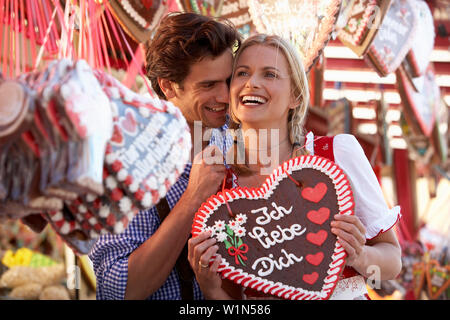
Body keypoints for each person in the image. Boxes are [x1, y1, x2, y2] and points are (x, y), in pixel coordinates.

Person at [188, 34, 402, 300]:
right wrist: (210, 288)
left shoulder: (336, 154)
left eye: (270, 75)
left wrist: (360, 255)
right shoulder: (220, 182)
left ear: (296, 97)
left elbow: (392, 265)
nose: (251, 83)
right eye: (242, 73)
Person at [88, 12, 241, 300]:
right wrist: (192, 198)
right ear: (169, 86)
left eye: (228, 80)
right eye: (208, 85)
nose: (225, 96)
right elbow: (119, 290)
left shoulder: (238, 140)